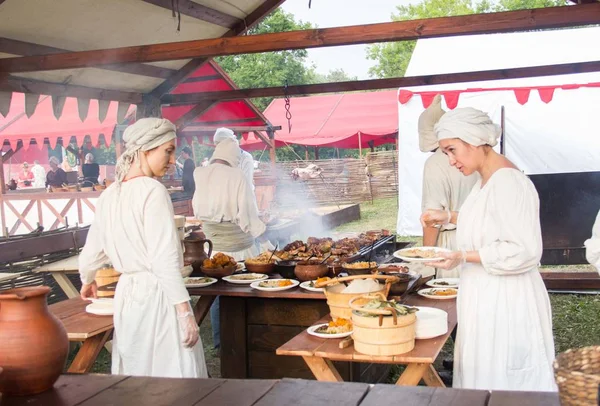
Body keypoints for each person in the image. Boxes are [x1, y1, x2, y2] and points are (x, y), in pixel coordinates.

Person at [420, 107, 556, 392]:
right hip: (485, 294)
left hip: (507, 299)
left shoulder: (509, 182)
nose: (451, 160)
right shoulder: (486, 180)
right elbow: (489, 220)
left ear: (475, 139)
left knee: (505, 380)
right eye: (446, 153)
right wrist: (447, 217)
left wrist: (461, 256)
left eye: (452, 150)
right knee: (483, 376)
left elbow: (524, 249)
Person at [78, 118, 207, 378]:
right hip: (158, 296)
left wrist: (87, 279)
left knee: (137, 371)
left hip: (128, 296)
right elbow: (164, 259)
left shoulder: (109, 195)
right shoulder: (152, 191)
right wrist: (184, 312)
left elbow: (92, 251)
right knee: (170, 371)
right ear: (144, 151)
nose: (172, 160)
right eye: (167, 151)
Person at [192, 137, 270, 349]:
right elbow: (248, 215)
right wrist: (264, 237)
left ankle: (221, 342)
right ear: (234, 157)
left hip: (212, 246)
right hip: (238, 246)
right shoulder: (237, 176)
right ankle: (249, 340)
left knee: (218, 293)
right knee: (246, 288)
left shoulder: (199, 173)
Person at [419, 95, 478, 278]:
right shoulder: (473, 156)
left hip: (451, 245)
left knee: (451, 299)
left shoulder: (435, 163)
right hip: (478, 240)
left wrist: (426, 258)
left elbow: (432, 218)